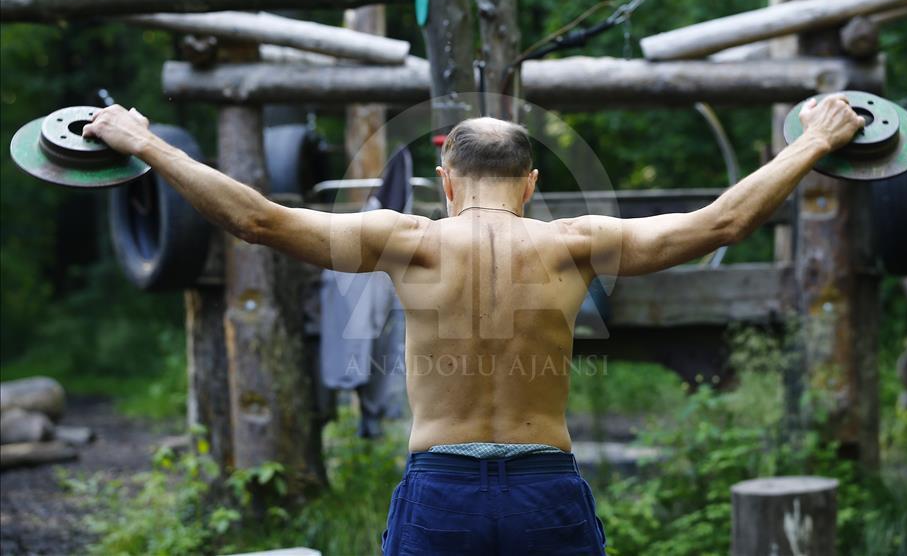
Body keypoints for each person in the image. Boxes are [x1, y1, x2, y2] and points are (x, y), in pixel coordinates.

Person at [84, 95, 864, 555]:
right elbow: (726, 222)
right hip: (544, 493)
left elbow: (255, 219)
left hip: (442, 493)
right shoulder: (573, 245)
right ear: (530, 183)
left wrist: (144, 142)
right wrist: (816, 141)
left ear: (446, 180)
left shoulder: (408, 242)